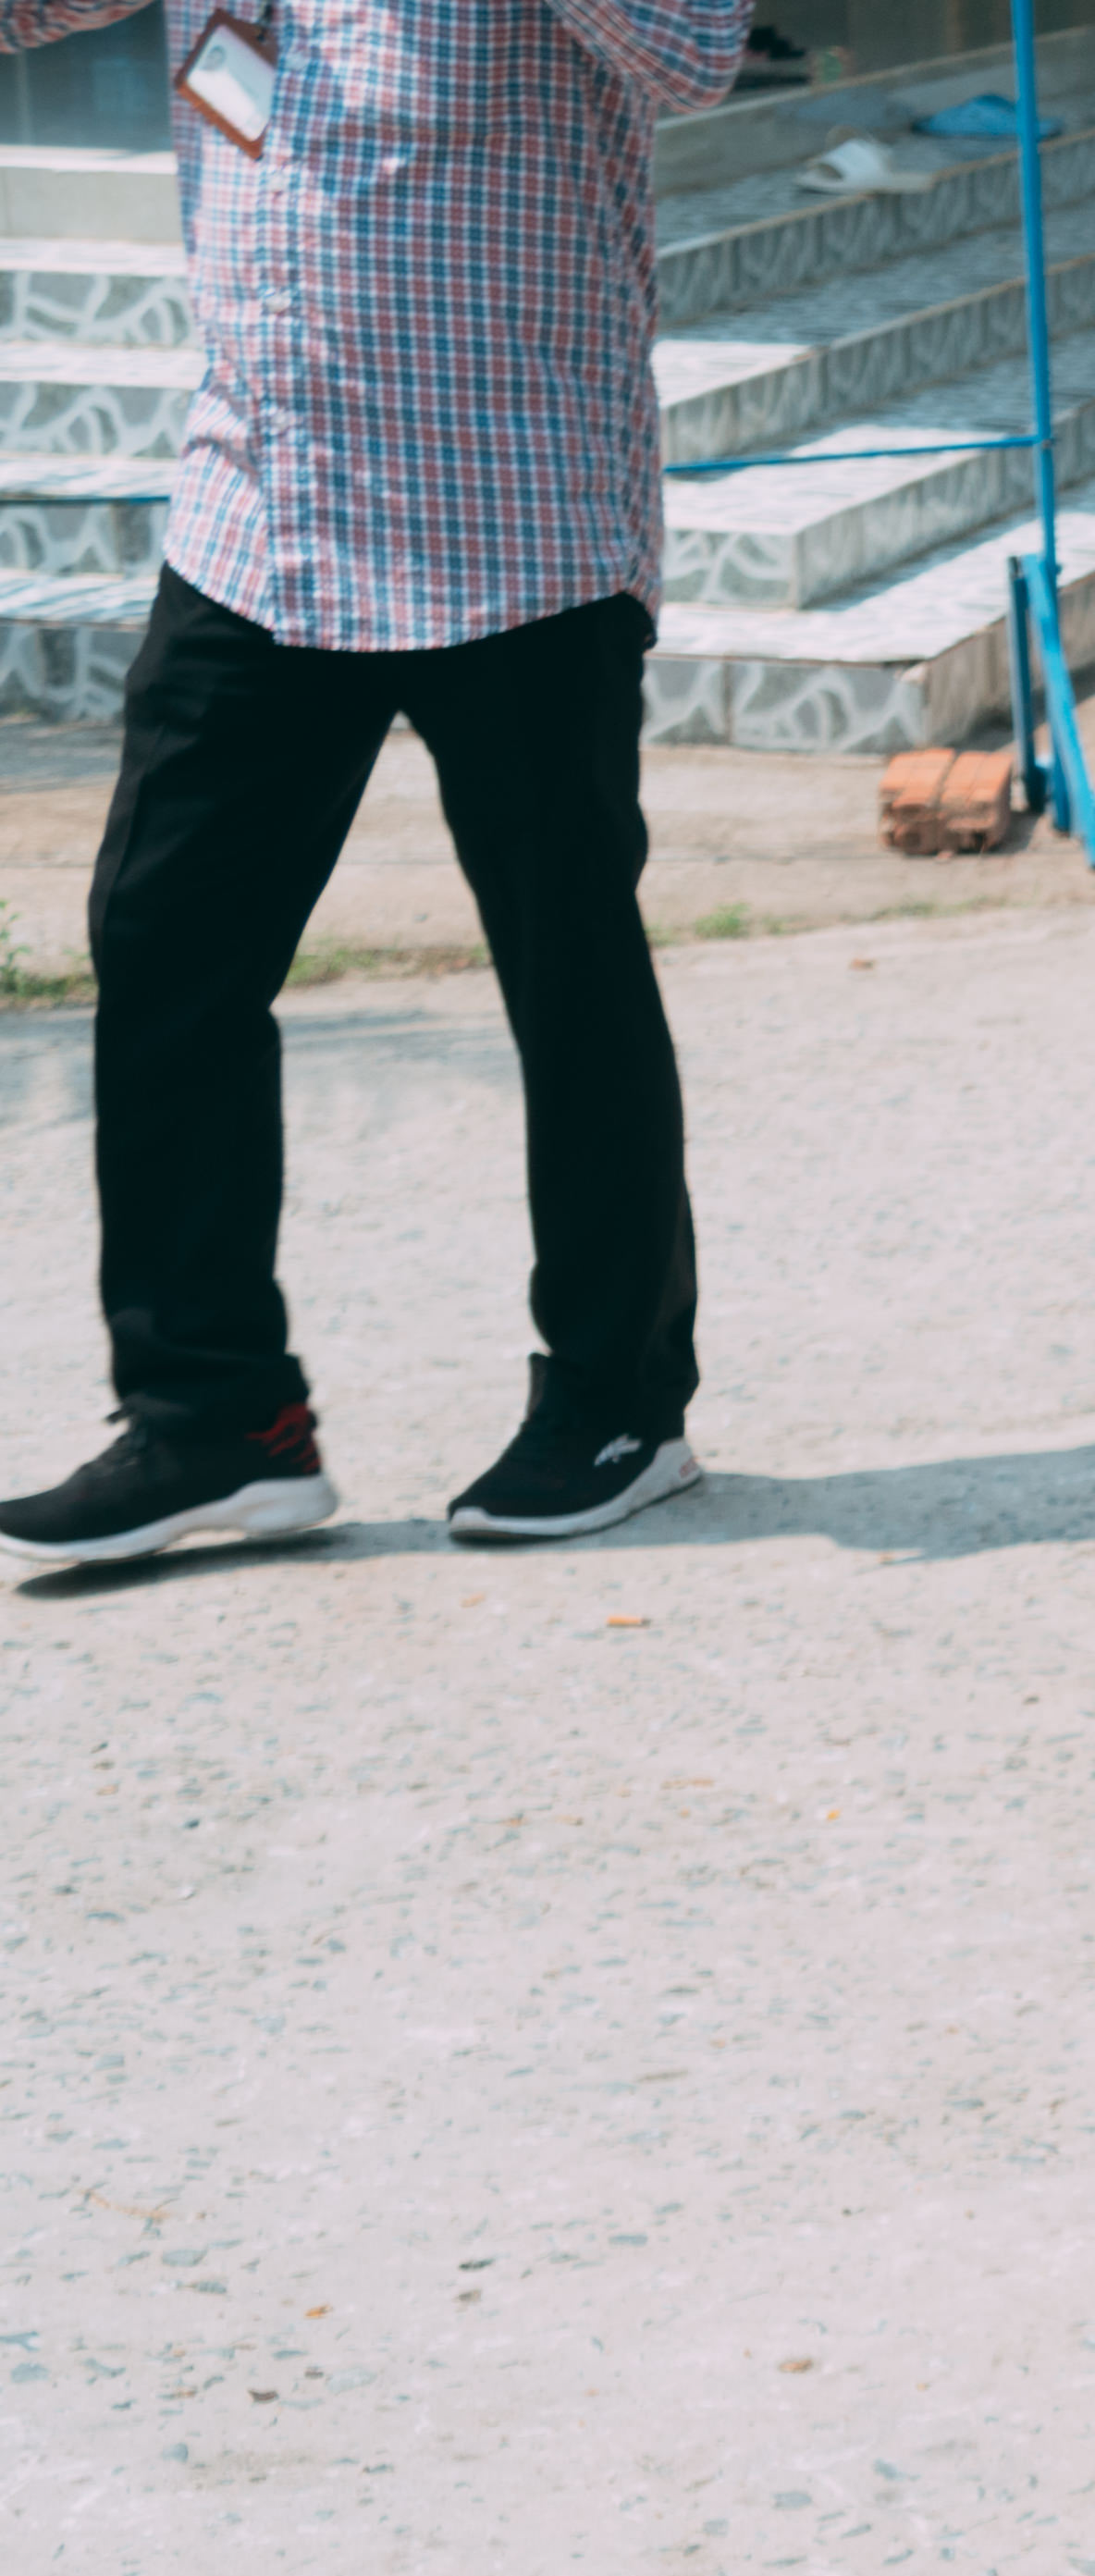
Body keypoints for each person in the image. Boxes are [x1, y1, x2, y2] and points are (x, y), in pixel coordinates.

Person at [0, 0, 754, 1571]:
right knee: (163, 944)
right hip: (262, 507)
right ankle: (217, 1419)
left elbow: (695, 50)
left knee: (567, 970)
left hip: (519, 512)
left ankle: (622, 1402)